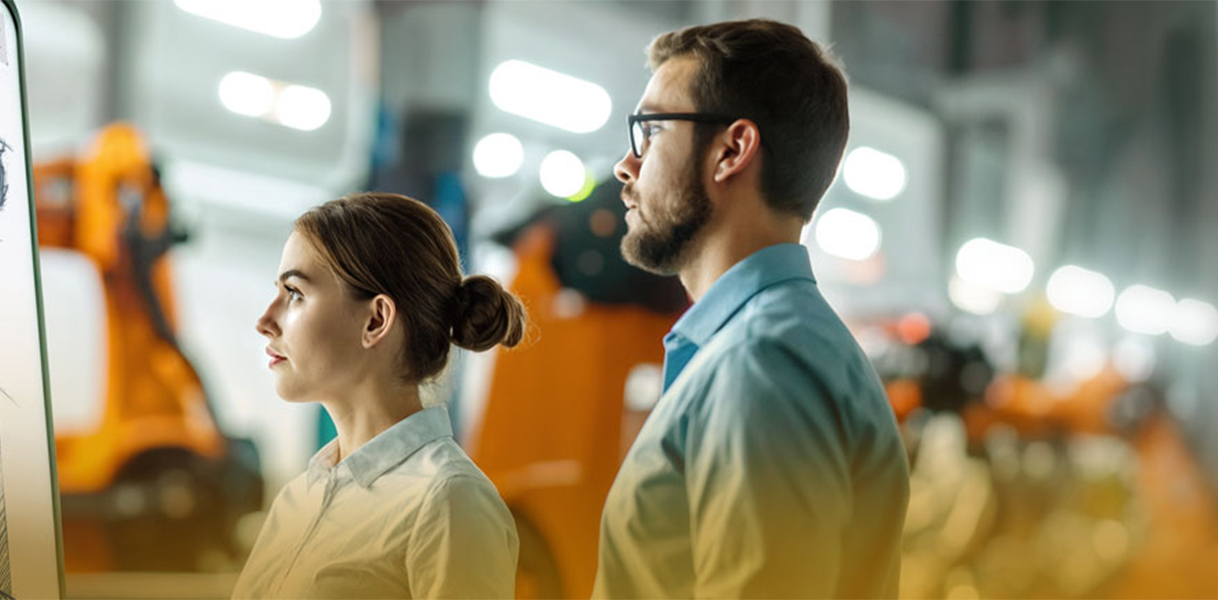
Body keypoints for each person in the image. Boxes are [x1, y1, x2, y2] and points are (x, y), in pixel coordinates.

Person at [593, 19, 911, 599]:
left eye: (653, 130)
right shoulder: (770, 347)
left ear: (732, 150)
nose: (626, 165)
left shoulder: (760, 364)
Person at [233, 192, 523, 599]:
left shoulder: (449, 502)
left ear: (375, 320)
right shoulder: (298, 499)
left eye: (295, 293)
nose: (265, 320)